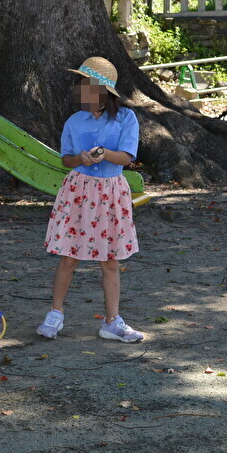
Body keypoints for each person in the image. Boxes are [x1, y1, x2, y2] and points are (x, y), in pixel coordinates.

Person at [37, 56, 145, 343]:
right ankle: (55, 314)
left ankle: (112, 321)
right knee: (69, 256)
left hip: (111, 192)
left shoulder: (126, 118)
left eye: (89, 87)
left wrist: (103, 153)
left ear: (104, 92)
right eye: (81, 86)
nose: (83, 93)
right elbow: (66, 159)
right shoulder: (74, 121)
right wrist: (80, 159)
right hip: (78, 190)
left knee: (110, 260)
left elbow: (127, 156)